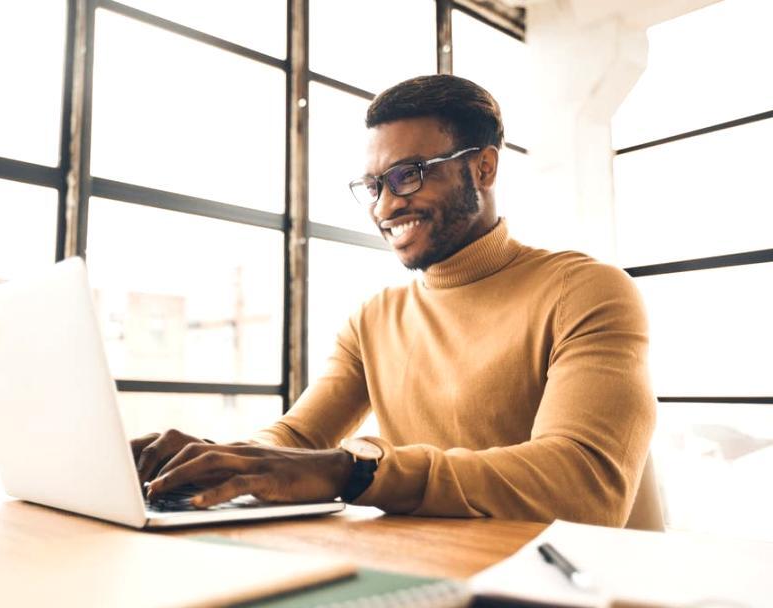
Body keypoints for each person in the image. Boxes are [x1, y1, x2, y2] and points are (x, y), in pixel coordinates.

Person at [136, 74, 655, 526]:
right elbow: (298, 437)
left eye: (409, 175)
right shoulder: (373, 319)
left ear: (484, 168)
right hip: (440, 572)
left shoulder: (585, 291)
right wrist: (220, 462)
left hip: (578, 582)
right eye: (373, 185)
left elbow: (583, 486)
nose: (384, 207)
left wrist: (359, 470)